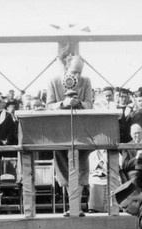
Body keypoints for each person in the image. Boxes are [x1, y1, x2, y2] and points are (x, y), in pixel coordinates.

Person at [46, 55, 93, 217]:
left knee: (81, 167)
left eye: (80, 72)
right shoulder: (53, 82)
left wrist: (79, 103)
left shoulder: (86, 82)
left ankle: (77, 206)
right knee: (63, 168)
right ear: (66, 68)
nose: (78, 76)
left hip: (81, 132)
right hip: (59, 133)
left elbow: (89, 104)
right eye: (74, 72)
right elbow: (48, 106)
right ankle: (70, 205)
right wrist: (63, 104)